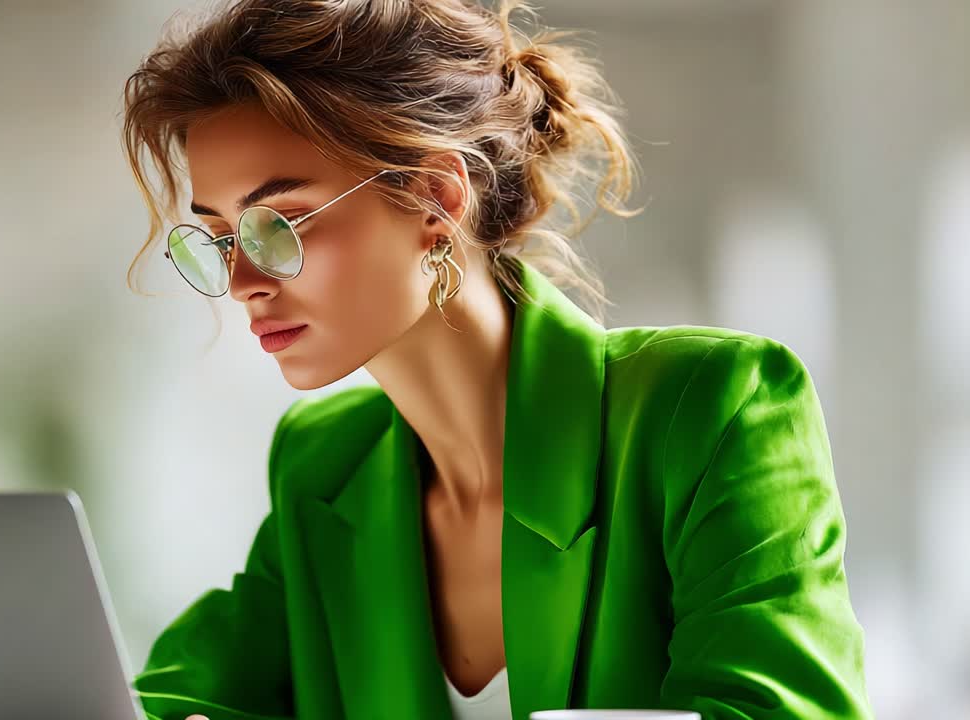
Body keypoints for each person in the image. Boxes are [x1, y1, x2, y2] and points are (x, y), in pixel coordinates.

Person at [119, 1, 872, 719]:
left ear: (437, 202)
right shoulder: (324, 464)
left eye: (276, 225)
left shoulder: (708, 406)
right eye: (220, 238)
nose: (243, 284)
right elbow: (165, 701)